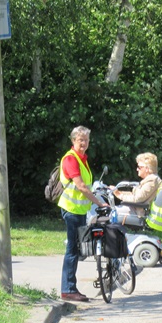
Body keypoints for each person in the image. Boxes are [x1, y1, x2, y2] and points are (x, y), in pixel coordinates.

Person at [57, 126, 108, 303]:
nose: (84, 143)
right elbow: (81, 186)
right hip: (71, 209)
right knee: (72, 249)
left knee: (75, 249)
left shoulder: (82, 158)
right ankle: (68, 289)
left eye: (86, 140)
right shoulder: (71, 159)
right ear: (73, 141)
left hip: (78, 210)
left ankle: (70, 288)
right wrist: (99, 203)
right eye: (80, 140)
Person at [113, 152, 162, 218]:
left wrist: (119, 194)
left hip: (140, 214)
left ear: (147, 169)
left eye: (139, 167)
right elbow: (136, 195)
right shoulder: (152, 179)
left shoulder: (152, 180)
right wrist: (119, 192)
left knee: (110, 212)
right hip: (136, 209)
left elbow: (137, 199)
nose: (137, 169)